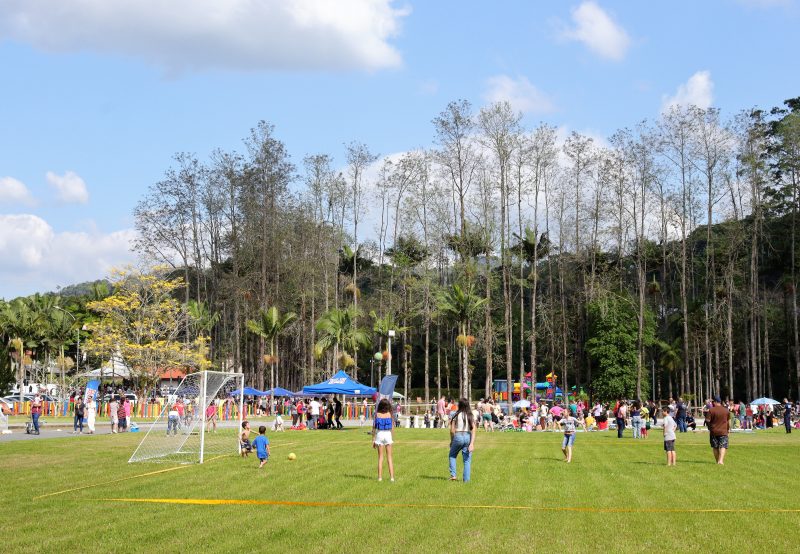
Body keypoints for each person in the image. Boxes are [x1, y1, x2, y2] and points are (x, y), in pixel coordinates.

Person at [448, 398, 476, 482]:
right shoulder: (470, 415)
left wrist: (452, 441)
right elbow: (474, 429)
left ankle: (453, 475)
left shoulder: (455, 414)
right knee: (467, 460)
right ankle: (466, 480)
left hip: (458, 436)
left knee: (452, 455)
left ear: (459, 405)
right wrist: (472, 443)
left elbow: (452, 430)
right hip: (467, 436)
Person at [372, 398, 395, 482]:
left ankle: (380, 478)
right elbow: (392, 427)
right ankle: (392, 478)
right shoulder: (390, 414)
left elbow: (374, 428)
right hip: (388, 434)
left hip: (379, 434)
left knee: (380, 458)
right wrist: (392, 437)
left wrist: (373, 440)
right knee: (389, 457)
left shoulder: (377, 414)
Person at [706, 396, 730, 465]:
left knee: (715, 447)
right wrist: (728, 430)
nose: (713, 403)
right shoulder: (726, 410)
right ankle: (721, 461)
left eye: (713, 402)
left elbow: (707, 421)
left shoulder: (711, 410)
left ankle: (717, 461)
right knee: (723, 446)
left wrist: (710, 428)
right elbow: (728, 421)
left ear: (716, 402)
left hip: (714, 431)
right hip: (723, 431)